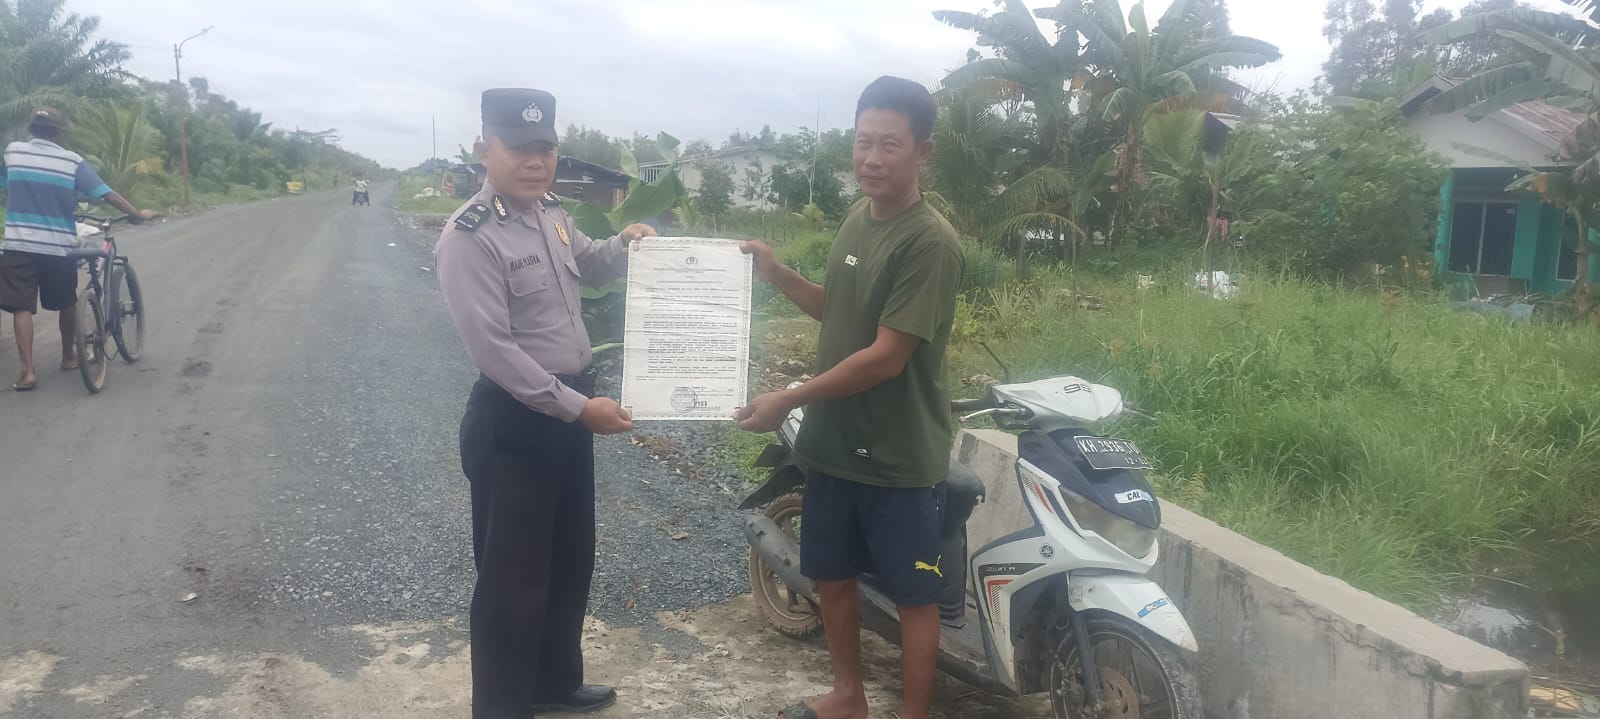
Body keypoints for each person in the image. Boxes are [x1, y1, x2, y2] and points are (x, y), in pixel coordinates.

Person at [736, 76, 963, 719]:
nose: (872, 158)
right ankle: (848, 696)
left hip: (897, 456)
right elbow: (838, 311)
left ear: (922, 152)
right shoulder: (858, 218)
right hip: (834, 444)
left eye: (890, 144)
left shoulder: (930, 242)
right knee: (831, 577)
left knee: (914, 596)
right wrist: (778, 275)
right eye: (863, 142)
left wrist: (788, 398)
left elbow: (887, 357)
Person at [434, 88, 656, 719]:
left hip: (569, 413)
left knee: (567, 558)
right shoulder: (470, 236)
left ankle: (553, 683)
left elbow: (593, 264)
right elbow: (496, 352)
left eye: (546, 148)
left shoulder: (551, 213)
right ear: (485, 149)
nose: (536, 161)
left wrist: (627, 243)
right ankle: (503, 706)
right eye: (519, 148)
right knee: (513, 577)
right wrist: (578, 408)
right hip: (516, 421)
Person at [1, 107, 156, 392]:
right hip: (59, 247)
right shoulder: (71, 161)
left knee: (22, 307)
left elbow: (4, 184)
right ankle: (69, 357)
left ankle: (27, 373)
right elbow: (107, 194)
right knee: (66, 302)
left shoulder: (13, 153)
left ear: (31, 129)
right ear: (59, 133)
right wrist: (137, 214)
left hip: (18, 245)